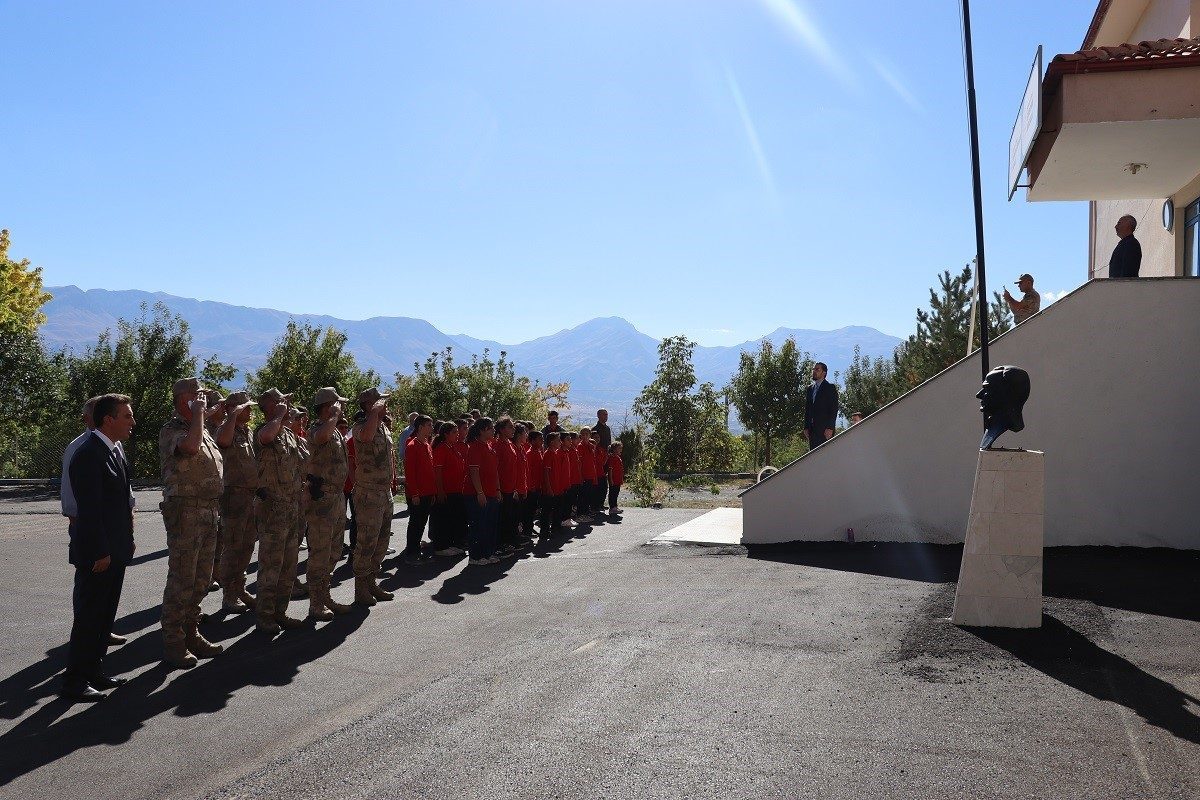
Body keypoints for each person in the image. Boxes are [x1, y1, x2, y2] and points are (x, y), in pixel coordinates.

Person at [60, 393, 136, 701]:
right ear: (109, 419)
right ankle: (74, 681)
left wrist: (126, 540)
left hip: (114, 550)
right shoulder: (88, 454)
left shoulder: (114, 451)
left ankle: (93, 671)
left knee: (104, 616)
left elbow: (119, 504)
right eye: (127, 416)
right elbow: (88, 512)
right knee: (89, 617)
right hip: (98, 553)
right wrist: (101, 551)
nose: (133, 422)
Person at [158, 377, 225, 668]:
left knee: (201, 579)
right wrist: (199, 414)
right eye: (196, 394)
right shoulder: (172, 430)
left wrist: (203, 417)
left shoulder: (201, 428)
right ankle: (174, 640)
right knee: (182, 579)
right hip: (185, 512)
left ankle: (191, 632)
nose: (202, 397)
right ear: (183, 399)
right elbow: (189, 448)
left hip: (208, 511)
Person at [252, 388, 309, 634]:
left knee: (289, 564)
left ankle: (280, 612)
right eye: (280, 402)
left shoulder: (287, 433)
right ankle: (265, 616)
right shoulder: (265, 431)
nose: (286, 404)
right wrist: (279, 417)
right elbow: (265, 437)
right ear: (269, 407)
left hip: (292, 506)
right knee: (271, 566)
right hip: (273, 509)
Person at [303, 388, 354, 620]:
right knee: (320, 552)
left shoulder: (333, 431)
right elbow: (319, 438)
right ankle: (315, 603)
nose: (341, 408)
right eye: (337, 404)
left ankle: (324, 595)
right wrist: (334, 416)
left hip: (336, 498)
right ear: (327, 407)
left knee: (334, 551)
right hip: (321, 498)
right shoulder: (317, 429)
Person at [350, 387, 397, 605]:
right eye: (380, 402)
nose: (385, 405)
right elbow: (366, 437)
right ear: (370, 405)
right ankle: (360, 588)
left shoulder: (383, 427)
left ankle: (372, 582)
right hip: (368, 493)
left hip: (384, 492)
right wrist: (373, 414)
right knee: (366, 542)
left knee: (381, 541)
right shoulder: (361, 426)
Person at [213, 391, 258, 613]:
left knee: (247, 545)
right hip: (233, 496)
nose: (250, 411)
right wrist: (232, 416)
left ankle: (239, 588)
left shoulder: (247, 431)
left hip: (250, 496)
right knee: (233, 547)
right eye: (246, 408)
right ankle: (229, 595)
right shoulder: (225, 427)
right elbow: (222, 441)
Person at [465, 417, 501, 565]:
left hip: (491, 492)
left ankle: (487, 553)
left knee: (489, 525)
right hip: (477, 494)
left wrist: (497, 489)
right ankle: (475, 556)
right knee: (479, 525)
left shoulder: (489, 446)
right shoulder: (474, 447)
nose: (493, 430)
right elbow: (474, 472)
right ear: (481, 431)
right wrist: (480, 493)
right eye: (490, 428)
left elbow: (495, 471)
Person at [402, 415, 436, 565]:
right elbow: (410, 472)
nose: (432, 428)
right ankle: (411, 554)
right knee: (415, 524)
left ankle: (416, 550)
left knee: (421, 523)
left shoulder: (427, 443)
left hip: (428, 492)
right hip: (417, 494)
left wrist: (433, 491)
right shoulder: (412, 445)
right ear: (420, 427)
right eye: (429, 425)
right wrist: (414, 493)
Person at [430, 421, 467, 557]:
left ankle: (450, 544)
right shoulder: (441, 448)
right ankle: (441, 546)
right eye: (454, 432)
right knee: (443, 519)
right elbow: (438, 472)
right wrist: (440, 491)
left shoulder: (452, 447)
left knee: (453, 519)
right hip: (447, 491)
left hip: (456, 490)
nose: (457, 435)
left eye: (457, 432)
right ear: (446, 434)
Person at [494, 417, 523, 556]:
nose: (513, 430)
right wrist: (498, 489)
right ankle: (500, 545)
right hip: (502, 489)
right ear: (501, 429)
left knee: (510, 517)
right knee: (502, 519)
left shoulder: (510, 444)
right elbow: (496, 470)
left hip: (511, 488)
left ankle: (508, 542)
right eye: (510, 427)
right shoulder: (498, 445)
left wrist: (515, 488)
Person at [803, 362, 838, 450]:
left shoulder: (830, 388)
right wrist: (806, 427)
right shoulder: (810, 389)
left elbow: (833, 408)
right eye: (813, 369)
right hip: (812, 430)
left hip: (825, 431)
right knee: (814, 457)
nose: (814, 371)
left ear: (824, 373)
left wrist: (830, 427)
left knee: (826, 457)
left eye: (817, 369)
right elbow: (807, 409)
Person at [607, 441, 624, 515]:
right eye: (619, 448)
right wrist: (610, 480)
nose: (621, 450)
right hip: (613, 480)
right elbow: (610, 470)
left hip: (618, 480)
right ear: (614, 449)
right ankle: (612, 507)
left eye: (621, 448)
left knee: (616, 493)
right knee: (612, 493)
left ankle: (615, 506)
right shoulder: (612, 458)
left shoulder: (618, 457)